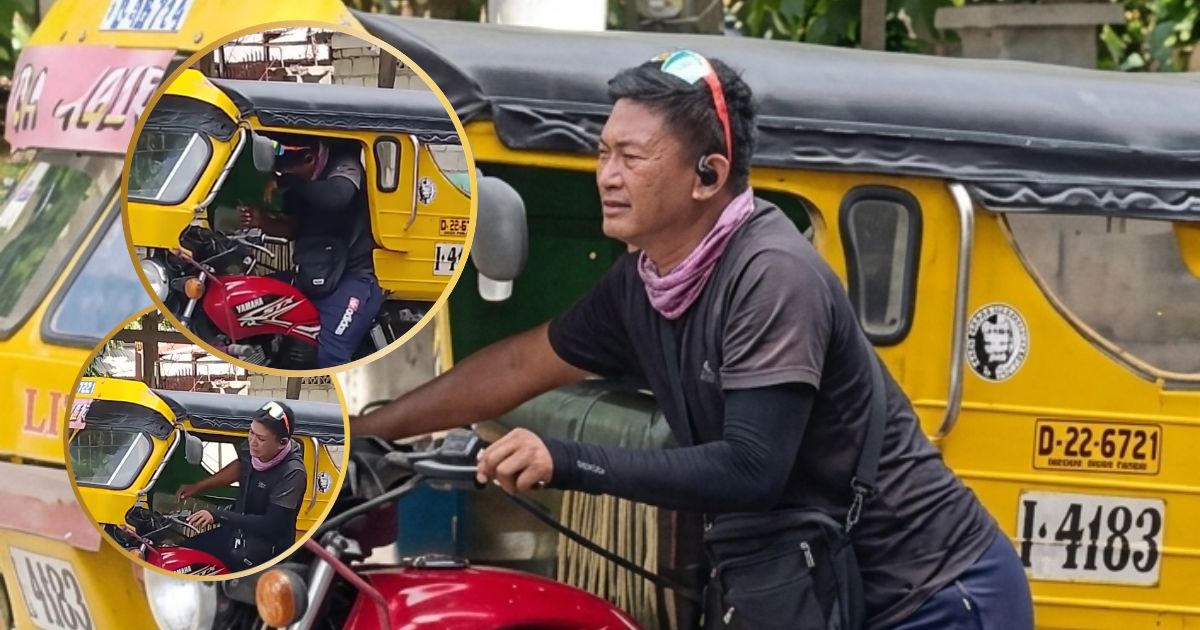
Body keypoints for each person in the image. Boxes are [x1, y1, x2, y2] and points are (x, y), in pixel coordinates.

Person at [354, 51, 1033, 629]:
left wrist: (564, 458)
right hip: (819, 589)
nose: (608, 175)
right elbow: (520, 362)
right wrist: (373, 426)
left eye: (632, 156)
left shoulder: (770, 276)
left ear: (707, 175)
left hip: (937, 595)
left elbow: (750, 469)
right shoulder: (643, 281)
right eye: (603, 152)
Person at [239, 136, 384, 368]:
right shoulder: (299, 187)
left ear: (309, 158)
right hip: (308, 273)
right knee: (246, 298)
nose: (283, 177)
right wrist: (262, 221)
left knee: (330, 356)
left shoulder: (344, 165)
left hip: (351, 278)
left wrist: (289, 182)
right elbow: (293, 228)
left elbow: (337, 197)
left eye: (288, 172)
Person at [177, 400, 306, 571]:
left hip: (265, 553)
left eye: (261, 438)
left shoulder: (293, 473)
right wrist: (198, 486)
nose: (252, 441)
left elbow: (271, 524)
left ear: (282, 442)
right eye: (251, 432)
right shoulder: (254, 449)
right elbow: (241, 466)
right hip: (236, 534)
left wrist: (217, 515)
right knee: (185, 553)